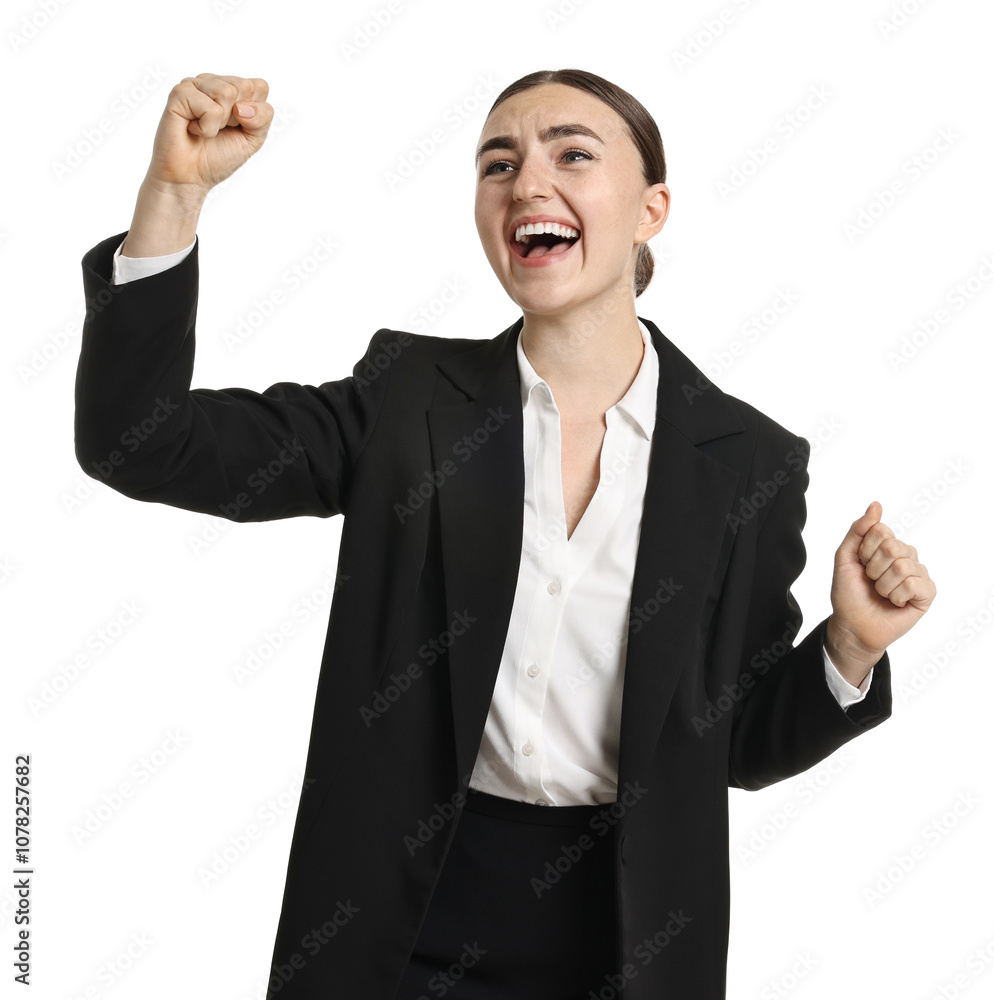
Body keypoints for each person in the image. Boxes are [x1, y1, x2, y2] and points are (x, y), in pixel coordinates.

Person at [74, 69, 935, 1000]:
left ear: (652, 209)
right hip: (399, 929)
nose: (527, 184)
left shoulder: (752, 465)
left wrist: (849, 644)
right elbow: (143, 444)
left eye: (572, 154)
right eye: (499, 164)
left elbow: (736, 747)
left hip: (626, 939)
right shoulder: (407, 401)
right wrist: (175, 194)